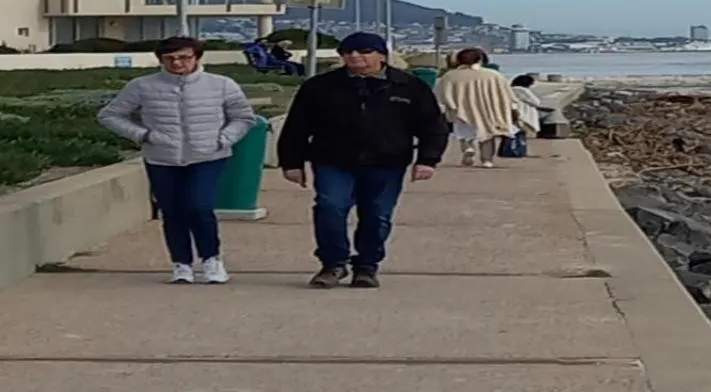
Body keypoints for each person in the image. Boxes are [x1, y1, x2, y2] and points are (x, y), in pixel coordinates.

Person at [277, 31, 448, 289]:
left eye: (364, 52)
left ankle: (366, 266)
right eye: (349, 52)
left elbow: (432, 126)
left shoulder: (409, 87)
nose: (355, 57)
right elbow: (297, 127)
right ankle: (333, 264)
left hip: (386, 163)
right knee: (330, 208)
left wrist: (427, 160)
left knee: (377, 215)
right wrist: (292, 162)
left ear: (382, 55)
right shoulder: (320, 87)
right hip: (333, 161)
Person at [97, 35, 256, 284]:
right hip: (162, 158)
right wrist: (143, 135)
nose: (177, 63)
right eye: (170, 58)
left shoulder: (222, 84)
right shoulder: (142, 86)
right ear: (160, 60)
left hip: (208, 155)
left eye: (184, 57)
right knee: (172, 211)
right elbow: (110, 115)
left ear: (197, 57)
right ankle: (181, 263)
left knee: (199, 206)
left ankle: (212, 259)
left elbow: (244, 117)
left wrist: (224, 138)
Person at [435, 48, 517, 168]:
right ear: (480, 59)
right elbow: (506, 94)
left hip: (461, 110)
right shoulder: (493, 75)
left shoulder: (450, 75)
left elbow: (441, 94)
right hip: (488, 110)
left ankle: (468, 148)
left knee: (464, 133)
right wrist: (512, 108)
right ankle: (487, 160)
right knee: (488, 135)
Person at [510, 74, 547, 142]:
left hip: (515, 117)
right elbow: (536, 102)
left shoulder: (510, 90)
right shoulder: (523, 91)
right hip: (526, 118)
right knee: (528, 139)